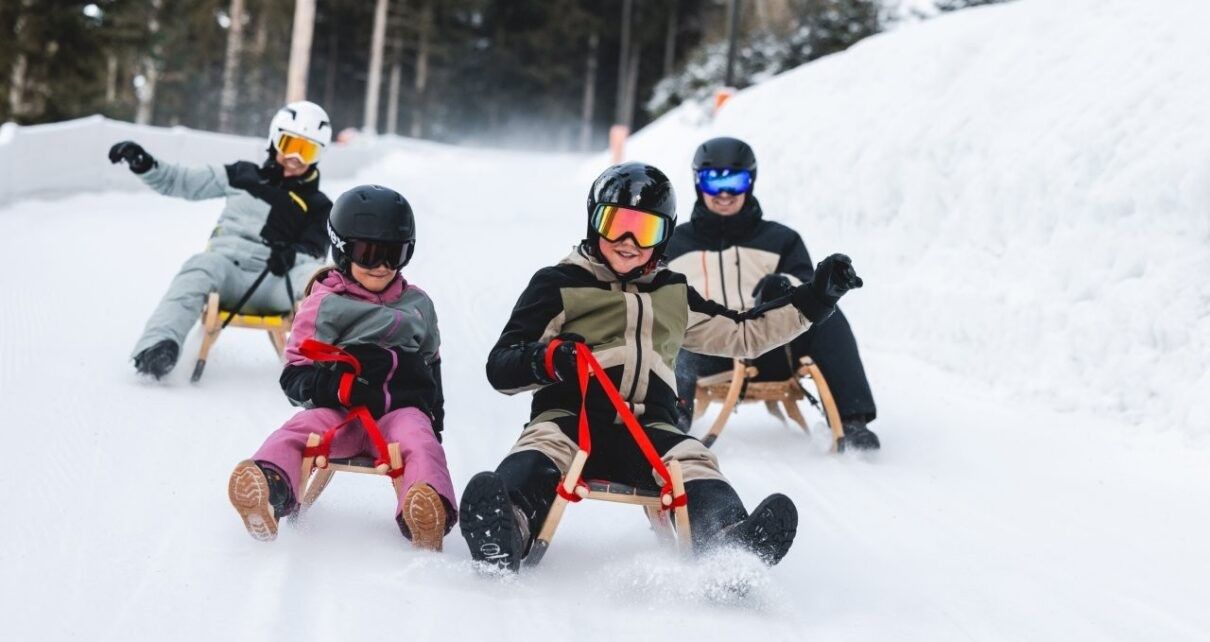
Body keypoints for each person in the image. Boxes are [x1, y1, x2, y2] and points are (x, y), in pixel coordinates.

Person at [458, 162, 863, 571]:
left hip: (648, 427)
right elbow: (501, 365)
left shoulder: (672, 293)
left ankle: (728, 545)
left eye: (646, 230)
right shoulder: (558, 283)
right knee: (542, 448)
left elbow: (743, 332)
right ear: (594, 222)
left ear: (665, 235)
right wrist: (548, 359)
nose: (629, 242)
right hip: (571, 417)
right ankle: (507, 527)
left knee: (693, 460)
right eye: (616, 225)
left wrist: (816, 299)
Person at [227, 185, 455, 550]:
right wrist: (337, 386)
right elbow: (295, 373)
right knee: (298, 430)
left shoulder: (418, 305)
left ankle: (426, 511)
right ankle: (268, 487)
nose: (382, 266)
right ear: (343, 250)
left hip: (399, 413)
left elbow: (432, 363)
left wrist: (434, 420)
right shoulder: (327, 304)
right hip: (340, 414)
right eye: (369, 254)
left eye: (393, 255)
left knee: (421, 443)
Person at [665, 136, 881, 449]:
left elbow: (810, 292)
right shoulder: (674, 243)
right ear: (699, 182)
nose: (724, 193)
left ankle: (853, 422)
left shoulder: (781, 239)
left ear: (750, 182)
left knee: (827, 315)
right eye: (714, 181)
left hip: (774, 347)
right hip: (709, 351)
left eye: (735, 181)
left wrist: (782, 289)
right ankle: (671, 421)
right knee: (673, 322)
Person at [111, 101, 334, 379]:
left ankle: (333, 366)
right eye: (290, 145)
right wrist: (144, 164)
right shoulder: (242, 175)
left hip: (276, 281)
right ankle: (158, 346)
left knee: (322, 280)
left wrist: (291, 256)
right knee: (199, 267)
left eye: (307, 150)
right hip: (226, 269)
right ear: (275, 139)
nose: (296, 158)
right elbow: (182, 181)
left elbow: (315, 252)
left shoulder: (319, 205)